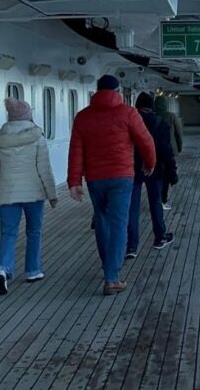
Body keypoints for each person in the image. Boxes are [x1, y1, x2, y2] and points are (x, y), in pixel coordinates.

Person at [67, 75, 156, 295]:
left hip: (95, 179)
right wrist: (150, 163)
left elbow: (75, 150)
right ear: (117, 91)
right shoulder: (128, 113)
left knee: (102, 221)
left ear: (97, 91)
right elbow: (146, 141)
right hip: (121, 177)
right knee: (119, 224)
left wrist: (74, 181)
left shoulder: (83, 117)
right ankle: (112, 277)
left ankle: (109, 267)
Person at [0, 98, 58, 295]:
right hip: (33, 192)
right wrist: (52, 194)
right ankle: (33, 271)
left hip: (7, 193)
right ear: (28, 115)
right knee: (34, 231)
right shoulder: (37, 137)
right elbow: (44, 169)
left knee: (8, 233)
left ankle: (3, 269)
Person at [126, 92, 176, 258]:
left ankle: (131, 246)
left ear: (137, 105)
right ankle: (160, 237)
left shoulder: (129, 121)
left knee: (132, 208)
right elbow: (166, 151)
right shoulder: (160, 123)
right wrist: (172, 171)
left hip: (133, 169)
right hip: (155, 169)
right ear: (152, 106)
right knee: (155, 203)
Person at [153, 95, 183, 210]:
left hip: (154, 151)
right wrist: (179, 147)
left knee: (156, 176)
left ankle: (157, 199)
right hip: (168, 150)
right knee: (166, 176)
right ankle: (163, 200)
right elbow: (179, 133)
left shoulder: (152, 116)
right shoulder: (171, 116)